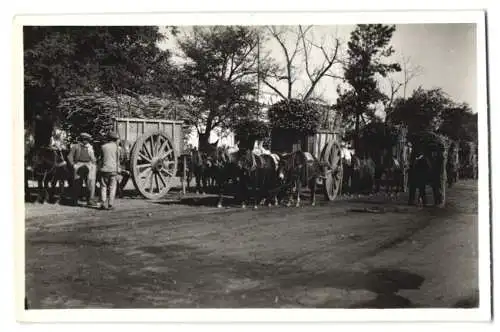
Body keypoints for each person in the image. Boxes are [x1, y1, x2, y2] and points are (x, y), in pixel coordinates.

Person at [67, 133, 97, 206]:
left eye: (87, 140)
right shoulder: (75, 146)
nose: (86, 141)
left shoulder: (90, 147)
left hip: (89, 164)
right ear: (81, 139)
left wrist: (93, 163)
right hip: (79, 164)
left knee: (90, 183)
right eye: (84, 139)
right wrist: (73, 165)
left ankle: (90, 200)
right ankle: (74, 201)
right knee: (77, 183)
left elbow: (93, 158)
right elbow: (69, 156)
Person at [98, 131, 121, 210]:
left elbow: (100, 159)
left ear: (108, 138)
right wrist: (118, 170)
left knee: (103, 187)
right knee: (112, 187)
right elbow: (118, 160)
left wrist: (100, 168)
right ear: (115, 139)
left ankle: (103, 203)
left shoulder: (103, 147)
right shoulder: (117, 148)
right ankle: (110, 204)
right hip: (113, 170)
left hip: (104, 170)